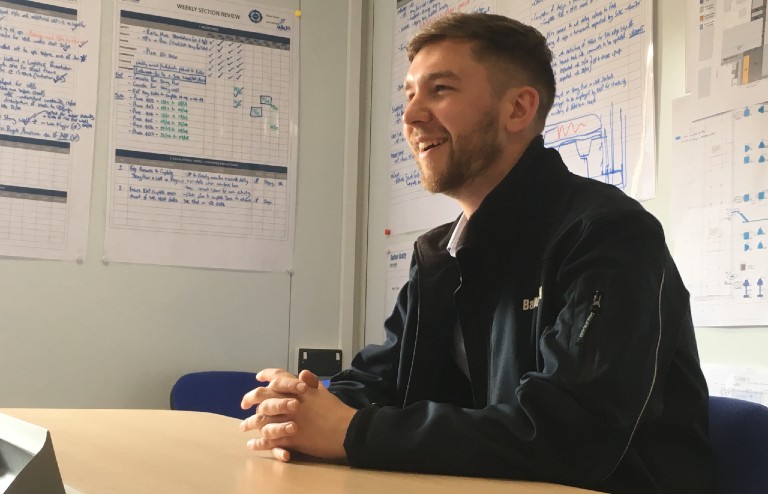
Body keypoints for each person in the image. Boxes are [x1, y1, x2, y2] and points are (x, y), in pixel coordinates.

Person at [240, 12, 716, 493]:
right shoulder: (440, 254)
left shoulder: (608, 232)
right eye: (409, 95)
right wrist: (302, 408)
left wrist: (351, 431)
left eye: (440, 90)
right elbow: (381, 381)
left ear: (517, 109)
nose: (411, 116)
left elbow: (570, 431)